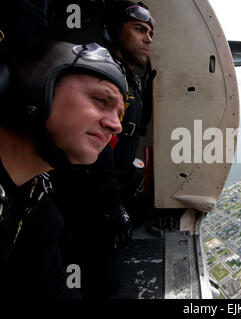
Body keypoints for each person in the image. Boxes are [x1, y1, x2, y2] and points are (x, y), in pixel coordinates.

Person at [0, 41, 128, 298]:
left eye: (120, 114)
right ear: (37, 87)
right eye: (101, 100)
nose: (117, 126)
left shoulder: (39, 214)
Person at [52, 0, 156, 298]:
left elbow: (132, 129)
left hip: (110, 194)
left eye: (150, 32)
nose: (148, 38)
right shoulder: (104, 75)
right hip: (89, 202)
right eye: (139, 30)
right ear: (113, 31)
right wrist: (110, 209)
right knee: (99, 282)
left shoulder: (131, 78)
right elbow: (99, 153)